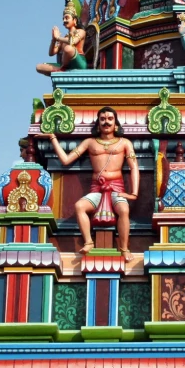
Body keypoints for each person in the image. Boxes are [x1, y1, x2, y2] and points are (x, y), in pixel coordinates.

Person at [42, 107, 139, 260]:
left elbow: (134, 167)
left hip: (116, 188)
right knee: (79, 206)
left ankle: (124, 248)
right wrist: (53, 138)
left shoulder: (124, 143)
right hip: (97, 189)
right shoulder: (90, 143)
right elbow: (66, 160)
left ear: (116, 124)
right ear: (98, 124)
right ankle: (88, 241)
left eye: (109, 119)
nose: (106, 122)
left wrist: (134, 193)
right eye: (102, 119)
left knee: (124, 209)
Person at [36, 4, 87, 75]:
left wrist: (58, 38)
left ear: (74, 20)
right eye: (63, 18)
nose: (64, 20)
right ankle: (62, 70)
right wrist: (53, 40)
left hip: (78, 62)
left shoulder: (80, 31)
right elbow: (51, 53)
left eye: (67, 18)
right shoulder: (64, 38)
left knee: (68, 49)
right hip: (66, 65)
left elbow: (73, 41)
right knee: (39, 67)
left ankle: (61, 69)